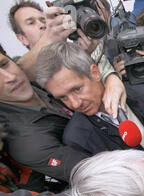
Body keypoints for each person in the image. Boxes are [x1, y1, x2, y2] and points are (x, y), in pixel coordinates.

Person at [34, 41, 144, 163]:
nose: (75, 104)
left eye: (77, 89)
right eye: (63, 98)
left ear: (95, 72)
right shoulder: (77, 140)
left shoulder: (142, 93)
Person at [8, 0, 126, 119]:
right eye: (31, 23)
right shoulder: (16, 77)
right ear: (22, 38)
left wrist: (110, 76)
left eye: (43, 20)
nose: (42, 25)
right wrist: (47, 39)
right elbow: (17, 72)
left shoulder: (78, 48)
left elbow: (97, 75)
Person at [0, 45, 90, 183]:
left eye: (4, 65)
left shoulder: (31, 72)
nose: (10, 77)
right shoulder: (27, 143)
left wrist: (110, 76)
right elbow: (101, 172)